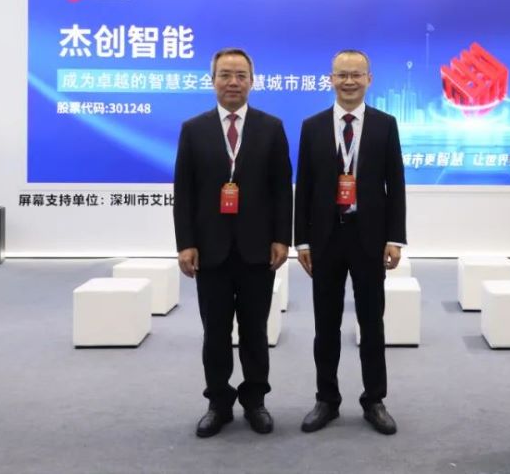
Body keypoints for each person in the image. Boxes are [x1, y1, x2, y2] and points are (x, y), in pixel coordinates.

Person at [173, 48, 292, 439]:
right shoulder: (194, 129)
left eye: (241, 75)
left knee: (255, 331)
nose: (233, 82)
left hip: (258, 249)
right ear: (212, 81)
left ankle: (255, 401)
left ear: (252, 82)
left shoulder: (271, 127)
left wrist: (282, 238)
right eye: (225, 75)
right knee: (216, 333)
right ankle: (218, 404)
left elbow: (281, 189)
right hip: (210, 250)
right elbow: (184, 192)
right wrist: (186, 243)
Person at [295, 49, 407, 437]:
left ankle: (374, 399)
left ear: (369, 79)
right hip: (325, 239)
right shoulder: (312, 126)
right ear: (330, 79)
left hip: (369, 238)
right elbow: (304, 187)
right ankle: (326, 399)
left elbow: (395, 184)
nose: (349, 81)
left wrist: (395, 237)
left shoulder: (385, 125)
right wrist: (302, 241)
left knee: (371, 323)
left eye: (356, 75)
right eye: (342, 74)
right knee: (325, 325)